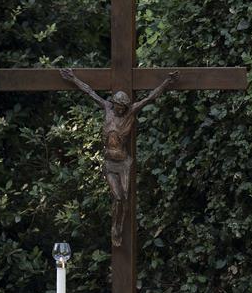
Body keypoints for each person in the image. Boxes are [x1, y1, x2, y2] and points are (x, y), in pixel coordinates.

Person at [59, 68, 178, 246]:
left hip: (123, 164)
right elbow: (89, 91)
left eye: (123, 107)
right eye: (118, 106)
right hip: (109, 163)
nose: (120, 110)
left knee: (126, 199)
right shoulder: (107, 108)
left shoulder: (130, 113)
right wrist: (73, 78)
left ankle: (120, 226)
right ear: (113, 103)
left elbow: (150, 98)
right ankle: (116, 229)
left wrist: (167, 82)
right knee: (118, 197)